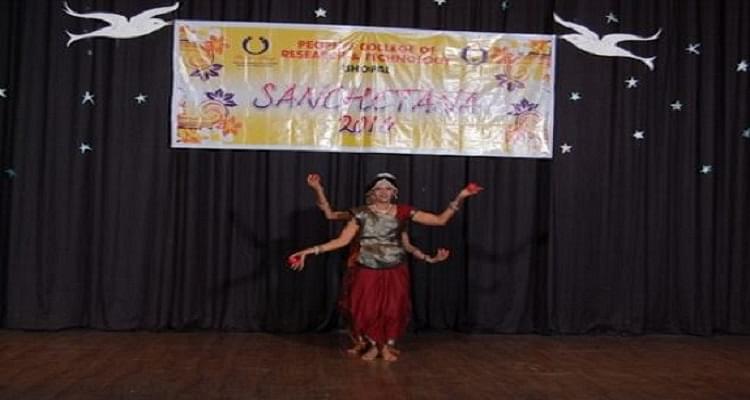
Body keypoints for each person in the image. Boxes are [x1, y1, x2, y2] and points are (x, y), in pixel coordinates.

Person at [289, 172, 482, 361]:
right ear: (372, 193)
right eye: (379, 188)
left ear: (394, 192)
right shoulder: (360, 213)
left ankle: (386, 346)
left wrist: (461, 196)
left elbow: (440, 220)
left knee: (393, 309)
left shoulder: (404, 212)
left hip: (395, 268)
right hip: (366, 267)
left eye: (388, 188)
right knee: (366, 308)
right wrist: (309, 251)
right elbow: (341, 240)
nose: (383, 192)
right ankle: (373, 345)